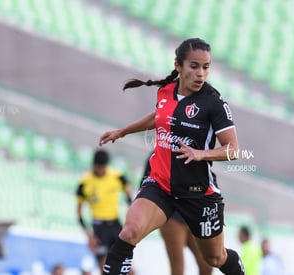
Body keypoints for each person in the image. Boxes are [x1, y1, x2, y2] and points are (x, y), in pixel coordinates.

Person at [98, 38, 245, 275]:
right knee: (128, 233)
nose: (200, 73)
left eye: (206, 67)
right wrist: (122, 131)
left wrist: (200, 154)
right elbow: (159, 116)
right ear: (178, 65)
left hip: (198, 194)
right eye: (194, 66)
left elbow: (233, 150)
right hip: (161, 186)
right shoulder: (165, 92)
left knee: (215, 258)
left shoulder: (213, 103)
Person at [142, 152, 213, 275]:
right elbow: (147, 185)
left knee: (207, 264)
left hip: (193, 217)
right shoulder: (158, 153)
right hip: (171, 217)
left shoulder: (194, 151)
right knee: (178, 268)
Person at [76, 149, 135, 274]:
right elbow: (79, 212)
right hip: (98, 227)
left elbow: (129, 197)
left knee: (126, 266)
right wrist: (89, 235)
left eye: (103, 167)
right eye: (98, 167)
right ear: (94, 165)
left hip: (115, 224)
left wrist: (130, 218)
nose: (101, 170)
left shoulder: (117, 176)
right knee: (104, 268)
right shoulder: (84, 183)